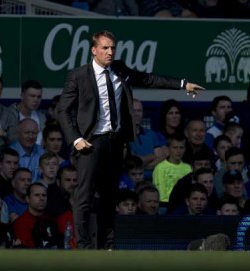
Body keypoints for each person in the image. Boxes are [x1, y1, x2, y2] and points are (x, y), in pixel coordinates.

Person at [56, 30, 204, 249]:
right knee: (84, 197)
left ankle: (107, 245)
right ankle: (84, 245)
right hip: (90, 143)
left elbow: (148, 79)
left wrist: (182, 84)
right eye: (105, 48)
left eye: (113, 48)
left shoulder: (120, 69)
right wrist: (75, 138)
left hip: (115, 143)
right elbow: (62, 110)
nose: (110, 52)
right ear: (93, 50)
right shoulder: (78, 75)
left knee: (109, 197)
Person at [14, 183, 63, 249]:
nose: (41, 198)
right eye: (37, 195)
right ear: (27, 199)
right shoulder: (20, 223)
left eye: (44, 195)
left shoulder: (52, 221)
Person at [128, 98, 166, 179]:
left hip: (153, 181)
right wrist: (151, 156)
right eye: (134, 111)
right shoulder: (123, 136)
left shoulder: (151, 134)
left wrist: (144, 165)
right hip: (132, 181)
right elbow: (133, 161)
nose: (137, 114)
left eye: (139, 111)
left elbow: (162, 157)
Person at [153, 134, 192, 209]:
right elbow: (160, 195)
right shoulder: (160, 168)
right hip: (166, 206)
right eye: (175, 148)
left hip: (185, 206)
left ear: (185, 149)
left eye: (181, 148)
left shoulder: (188, 168)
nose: (178, 151)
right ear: (168, 149)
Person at [7, 79, 46, 145]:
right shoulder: (9, 114)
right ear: (22, 95)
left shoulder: (42, 117)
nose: (36, 100)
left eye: (39, 97)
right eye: (32, 96)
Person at [10, 118, 45, 183]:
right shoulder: (11, 152)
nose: (30, 136)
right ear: (18, 133)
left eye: (34, 133)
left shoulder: (41, 151)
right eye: (27, 133)